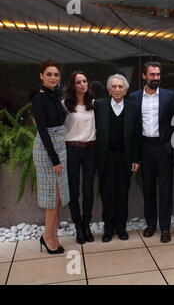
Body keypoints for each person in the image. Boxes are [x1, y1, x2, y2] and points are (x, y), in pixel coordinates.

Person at [129, 61, 174, 243]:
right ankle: (151, 224)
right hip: (144, 148)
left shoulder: (169, 96)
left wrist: (171, 146)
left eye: (157, 75)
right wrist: (135, 156)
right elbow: (132, 129)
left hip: (163, 148)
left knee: (166, 189)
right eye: (152, 75)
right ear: (144, 76)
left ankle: (165, 228)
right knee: (148, 189)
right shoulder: (134, 97)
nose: (155, 78)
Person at [95, 74, 140, 242]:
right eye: (113, 86)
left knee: (122, 193)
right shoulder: (99, 106)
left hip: (125, 157)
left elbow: (136, 135)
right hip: (106, 158)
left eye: (120, 87)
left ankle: (121, 228)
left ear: (126, 89)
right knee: (107, 194)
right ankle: (108, 229)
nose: (117, 89)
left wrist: (136, 159)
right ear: (108, 90)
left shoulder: (133, 107)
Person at [32, 60, 70, 254]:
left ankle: (52, 234)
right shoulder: (39, 99)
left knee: (57, 196)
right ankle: (47, 236)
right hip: (47, 151)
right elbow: (43, 131)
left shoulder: (55, 96)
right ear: (41, 76)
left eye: (56, 74)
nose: (53, 77)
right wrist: (54, 158)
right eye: (49, 74)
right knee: (51, 196)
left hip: (59, 148)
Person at [63, 70, 96, 244]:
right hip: (72, 150)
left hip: (91, 150)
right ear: (72, 85)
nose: (83, 84)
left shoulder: (94, 104)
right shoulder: (65, 105)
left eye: (85, 81)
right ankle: (78, 226)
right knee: (74, 190)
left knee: (88, 190)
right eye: (78, 82)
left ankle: (86, 223)